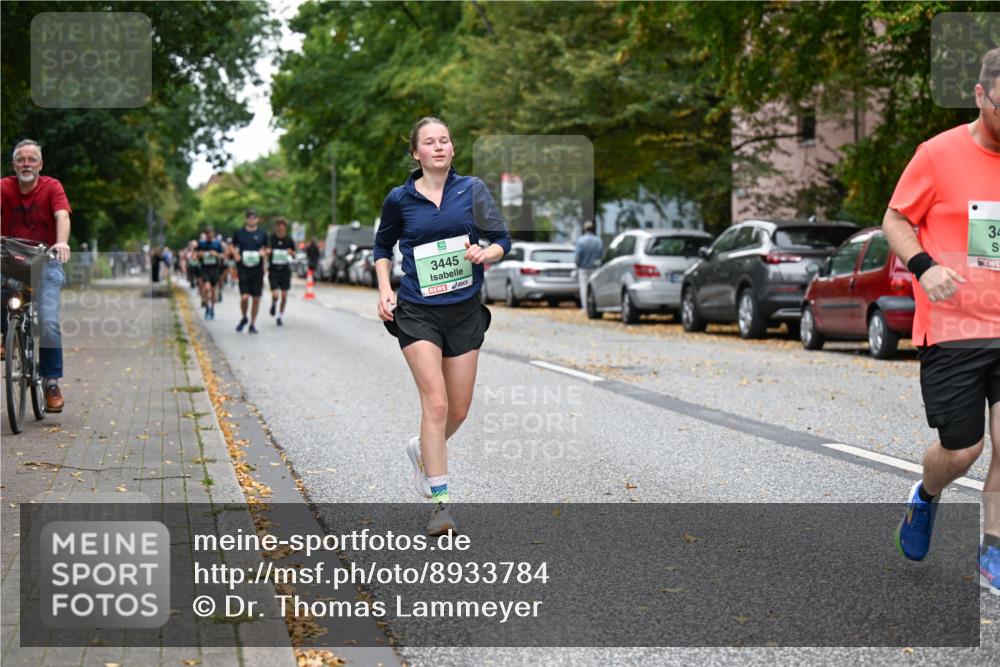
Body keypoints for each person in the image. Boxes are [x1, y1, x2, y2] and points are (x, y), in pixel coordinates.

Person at [885, 48, 1000, 593]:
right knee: (964, 450)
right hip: (952, 327)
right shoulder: (937, 154)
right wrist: (923, 266)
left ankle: (993, 551)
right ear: (980, 95)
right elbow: (895, 218)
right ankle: (925, 496)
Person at [374, 116, 511, 536]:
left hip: (464, 309)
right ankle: (440, 505)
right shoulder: (400, 198)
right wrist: (384, 290)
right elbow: (382, 247)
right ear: (416, 153)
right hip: (417, 309)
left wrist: (486, 254)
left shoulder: (473, 191)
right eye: (429, 142)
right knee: (434, 405)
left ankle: (421, 450)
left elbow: (502, 239)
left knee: (458, 409)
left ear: (452, 149)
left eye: (445, 140)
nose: (438, 147)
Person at [0, 139, 72, 412]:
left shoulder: (52, 187)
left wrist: (62, 242)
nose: (26, 164)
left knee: (49, 322)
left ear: (40, 165)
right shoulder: (4, 187)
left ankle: (51, 382)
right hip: (8, 261)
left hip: (46, 262)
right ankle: (5, 335)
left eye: (32, 159)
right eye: (21, 160)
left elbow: (62, 216)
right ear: (14, 165)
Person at [232, 209, 269, 334]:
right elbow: (232, 246)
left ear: (257, 219)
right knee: (244, 297)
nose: (251, 219)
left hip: (257, 269)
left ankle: (252, 323)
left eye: (253, 217)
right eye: (249, 217)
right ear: (246, 219)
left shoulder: (262, 234)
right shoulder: (239, 233)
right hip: (243, 268)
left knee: (256, 299)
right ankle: (244, 317)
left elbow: (268, 249)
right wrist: (235, 254)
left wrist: (264, 253)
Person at [267, 217, 296, 326]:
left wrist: (291, 252)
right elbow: (265, 251)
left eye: (282, 226)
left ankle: (280, 316)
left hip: (285, 270)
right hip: (274, 270)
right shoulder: (271, 239)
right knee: (275, 294)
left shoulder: (289, 240)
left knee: (284, 295)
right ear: (276, 227)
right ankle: (274, 303)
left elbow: (294, 254)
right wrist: (268, 252)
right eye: (278, 226)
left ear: (285, 228)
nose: (280, 228)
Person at [197, 227, 225, 320]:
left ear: (213, 234)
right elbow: (196, 254)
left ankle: (212, 308)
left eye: (211, 233)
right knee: (207, 287)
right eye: (208, 234)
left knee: (213, 290)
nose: (209, 235)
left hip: (215, 269)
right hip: (205, 268)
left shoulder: (217, 244)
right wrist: (202, 254)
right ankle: (206, 305)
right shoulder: (201, 243)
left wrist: (216, 254)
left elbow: (223, 255)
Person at [574, 220, 603, 309]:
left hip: (583, 268)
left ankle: (585, 307)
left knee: (584, 288)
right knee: (594, 288)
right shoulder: (598, 241)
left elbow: (578, 256)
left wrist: (577, 265)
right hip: (595, 268)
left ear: (584, 230)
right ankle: (595, 306)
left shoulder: (581, 241)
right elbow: (600, 254)